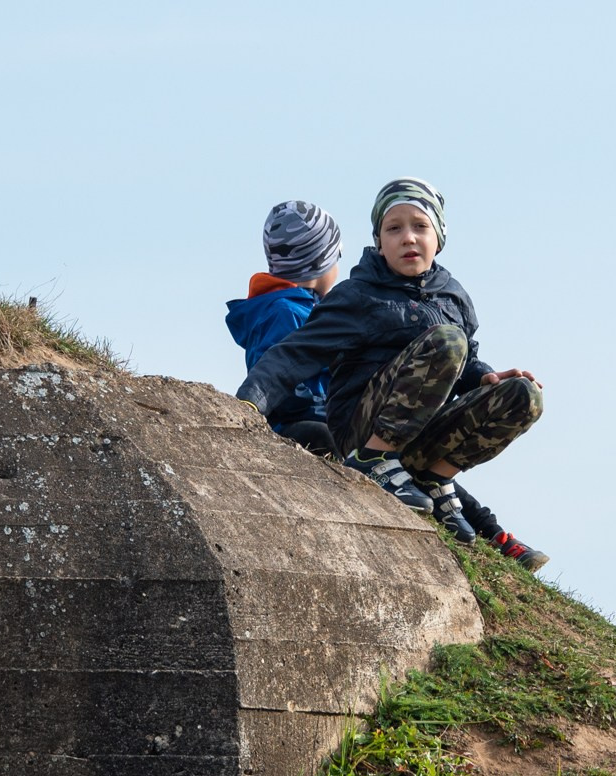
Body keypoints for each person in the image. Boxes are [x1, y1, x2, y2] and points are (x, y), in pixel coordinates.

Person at [234, 180, 549, 571]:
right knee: (447, 342)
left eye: (420, 226)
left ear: (439, 236)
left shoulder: (454, 297)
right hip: (360, 431)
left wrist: (484, 377)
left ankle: (437, 477)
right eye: (393, 228)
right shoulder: (356, 296)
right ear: (378, 241)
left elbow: (466, 361)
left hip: (418, 436)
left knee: (523, 395)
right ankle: (374, 458)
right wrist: (245, 406)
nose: (408, 237)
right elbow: (294, 354)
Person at [225, 200, 342, 456]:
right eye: (337, 256)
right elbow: (275, 372)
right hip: (293, 424)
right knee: (327, 437)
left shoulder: (311, 309)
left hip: (316, 416)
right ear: (321, 262)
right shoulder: (284, 312)